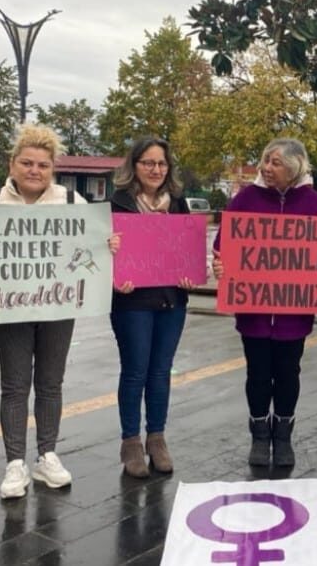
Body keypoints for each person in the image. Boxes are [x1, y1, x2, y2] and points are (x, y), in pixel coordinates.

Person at [0, 124, 115, 499]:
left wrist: (107, 244)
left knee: (51, 383)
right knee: (14, 384)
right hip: (9, 307)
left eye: (42, 164)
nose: (34, 170)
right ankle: (14, 463)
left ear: (52, 167)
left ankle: (47, 455)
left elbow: (91, 250)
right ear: (12, 163)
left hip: (58, 305)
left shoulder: (72, 203)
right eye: (27, 163)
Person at [212, 138, 317, 468]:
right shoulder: (244, 199)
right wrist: (220, 264)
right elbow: (223, 244)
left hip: (295, 314)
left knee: (289, 373)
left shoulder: (315, 203)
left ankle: (283, 434)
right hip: (254, 312)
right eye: (266, 159)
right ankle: (259, 433)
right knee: (258, 374)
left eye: (276, 162)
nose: (267, 167)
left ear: (295, 168)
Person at [109, 138, 195, 478]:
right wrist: (115, 272)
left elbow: (186, 249)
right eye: (148, 163)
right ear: (135, 165)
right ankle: (131, 441)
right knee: (135, 371)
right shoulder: (117, 205)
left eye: (161, 164)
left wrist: (190, 274)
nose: (156, 170)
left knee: (161, 371)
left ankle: (156, 437)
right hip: (131, 301)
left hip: (172, 300)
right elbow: (101, 255)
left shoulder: (178, 204)